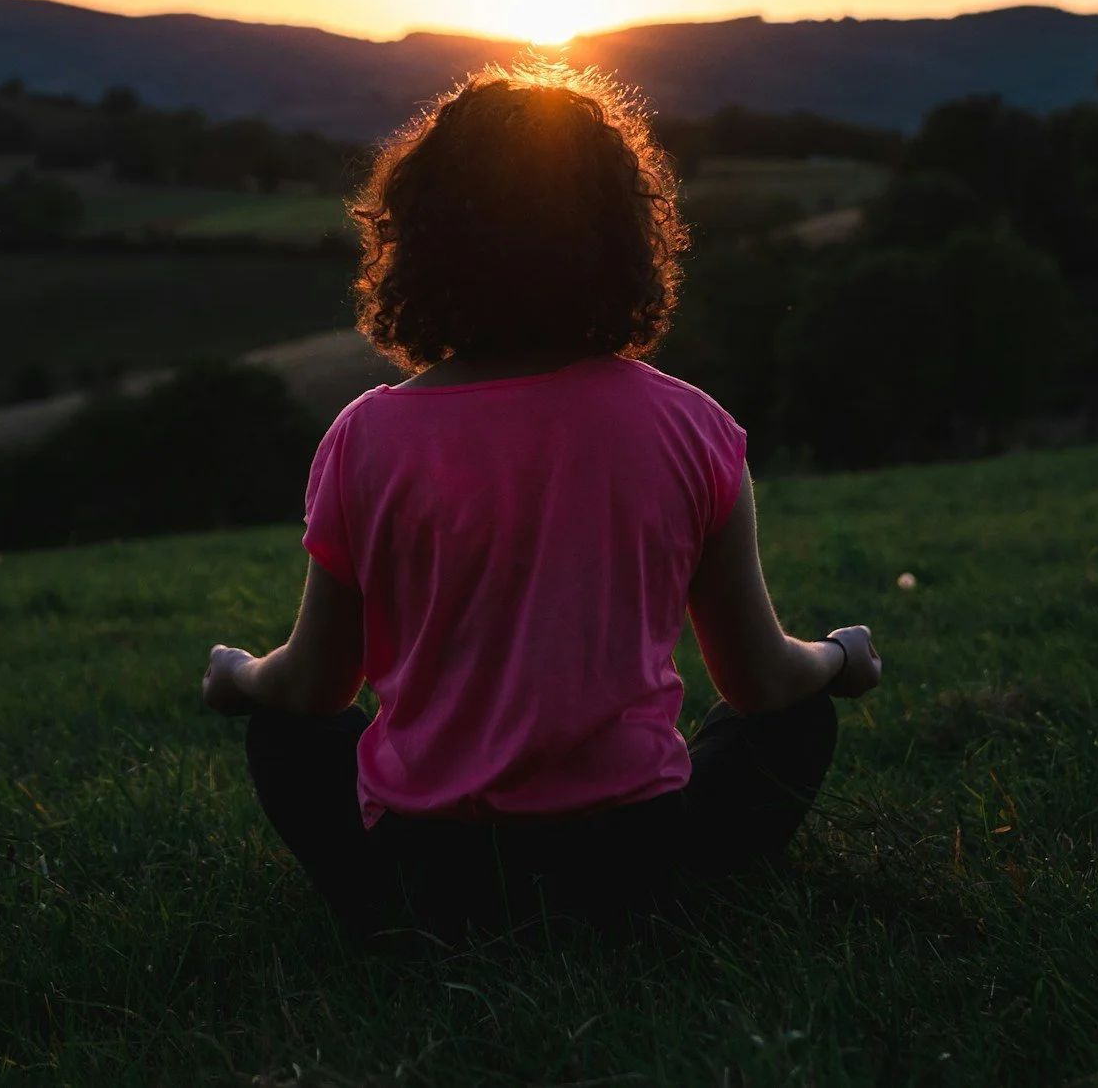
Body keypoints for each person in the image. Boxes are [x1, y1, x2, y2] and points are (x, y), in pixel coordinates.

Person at [201, 63, 881, 940]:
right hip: (638, 870)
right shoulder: (693, 425)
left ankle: (388, 913)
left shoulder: (365, 437)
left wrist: (238, 674)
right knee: (794, 724)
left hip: (423, 880)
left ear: (422, 239)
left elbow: (313, 685)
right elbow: (760, 683)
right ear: (621, 239)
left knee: (283, 733)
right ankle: (674, 902)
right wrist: (838, 655)